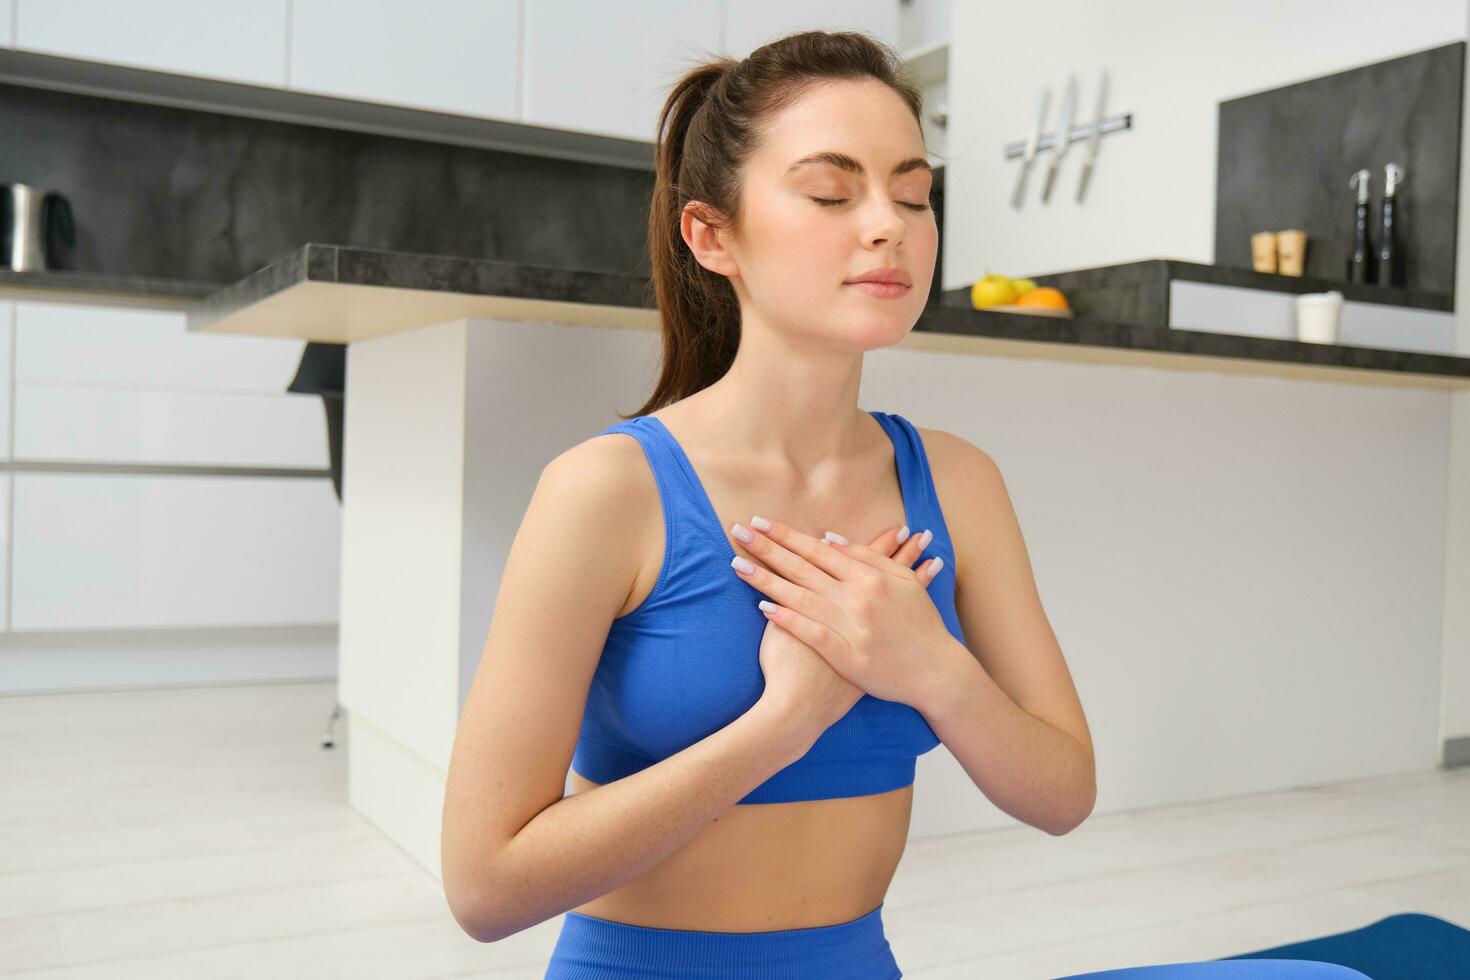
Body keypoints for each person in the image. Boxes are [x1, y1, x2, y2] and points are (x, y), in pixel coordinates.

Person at [438, 29, 1369, 980]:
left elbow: (1063, 793)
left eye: (915, 195)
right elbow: (485, 888)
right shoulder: (606, 491)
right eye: (832, 193)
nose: (889, 224)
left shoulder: (958, 481)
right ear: (711, 235)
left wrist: (931, 668)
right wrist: (784, 724)